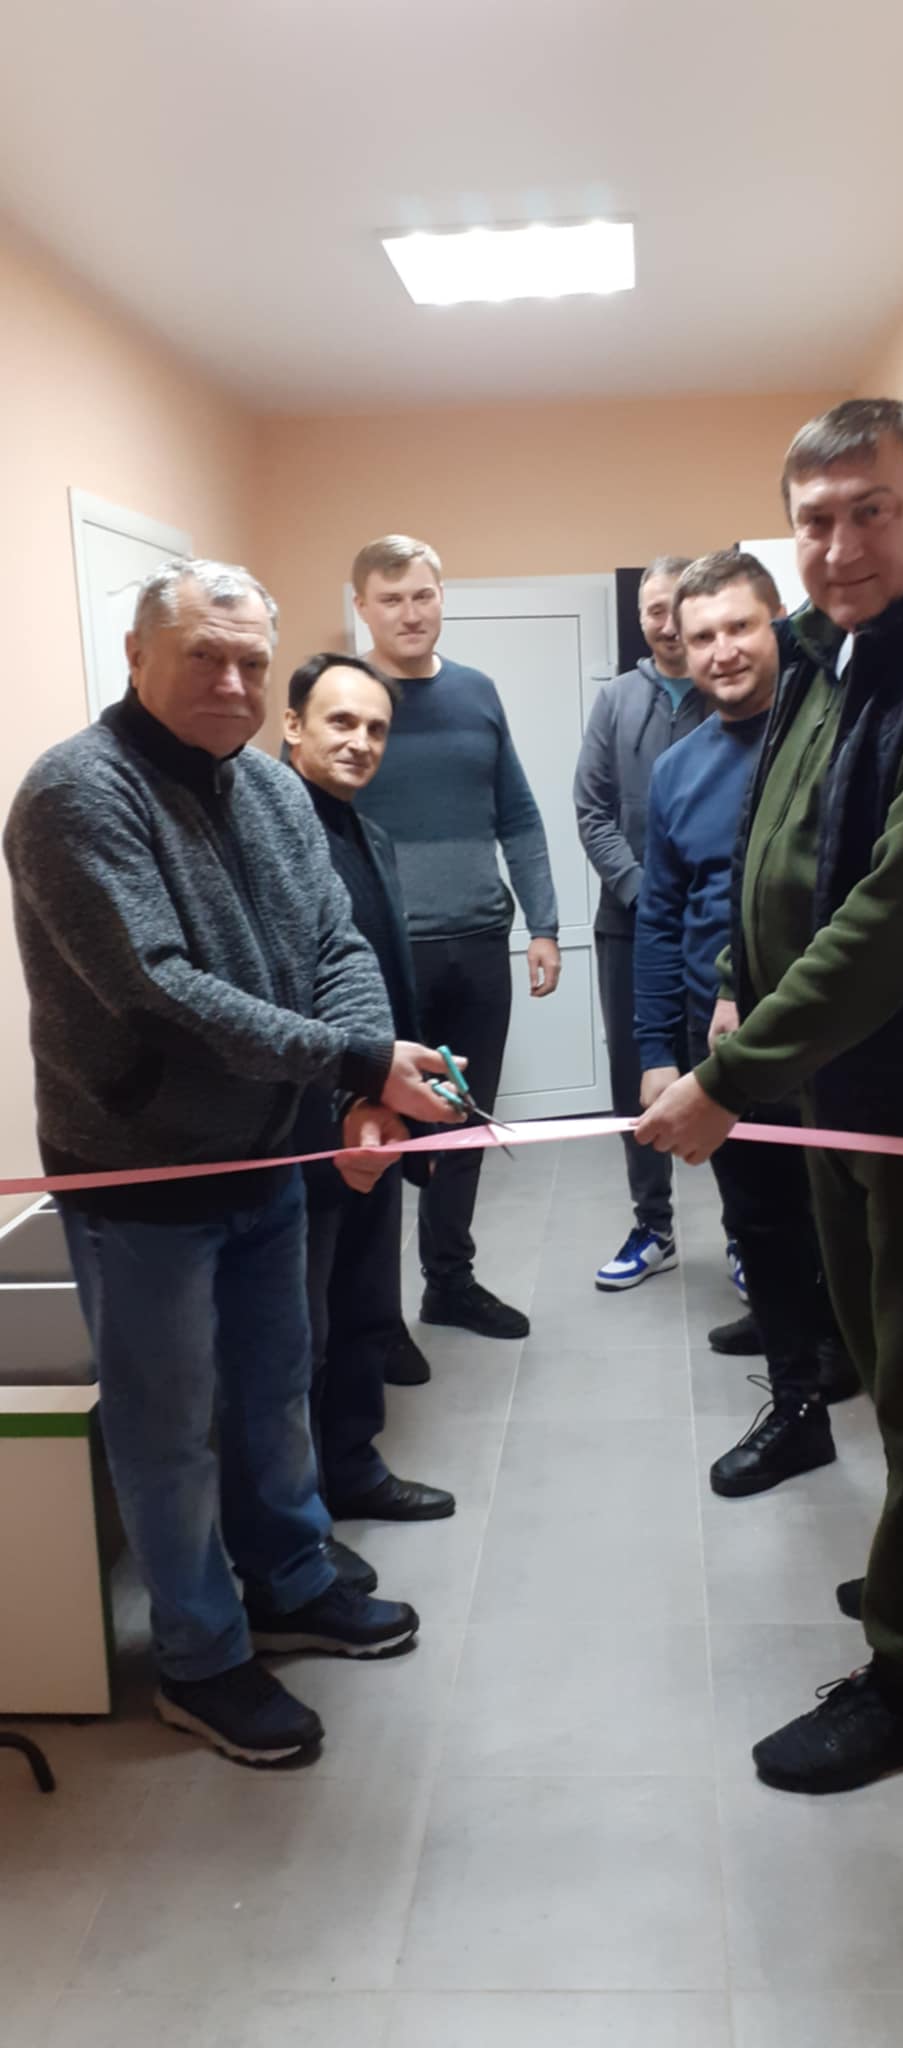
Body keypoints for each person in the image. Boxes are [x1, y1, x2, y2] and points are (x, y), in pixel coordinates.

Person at [636, 399, 903, 1793]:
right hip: (838, 1073)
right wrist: (735, 986)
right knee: (888, 1352)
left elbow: (897, 913)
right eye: (815, 520)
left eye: (871, 511)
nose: (839, 546)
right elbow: (778, 842)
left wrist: (727, 1078)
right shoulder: (832, 650)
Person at [4, 560, 463, 1769]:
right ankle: (199, 1659)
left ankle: (291, 1581)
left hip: (268, 1152)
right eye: (203, 655)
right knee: (169, 1434)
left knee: (274, 1391)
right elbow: (158, 988)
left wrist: (359, 1081)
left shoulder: (267, 785)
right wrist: (355, 1058)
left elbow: (335, 942)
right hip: (141, 1177)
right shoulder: (73, 795)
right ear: (137, 657)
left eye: (252, 661)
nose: (232, 681)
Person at [635, 551, 855, 1499]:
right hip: (713, 1034)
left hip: (822, 1028)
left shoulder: (836, 739)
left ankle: (828, 1345)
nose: (722, 650)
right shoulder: (676, 770)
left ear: (778, 627)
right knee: (755, 1213)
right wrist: (657, 1051)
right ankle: (797, 1393)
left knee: (837, 1212)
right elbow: (658, 915)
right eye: (702, 636)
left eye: (739, 627)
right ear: (678, 650)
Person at [353, 535, 560, 1341]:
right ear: (363, 607)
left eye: (422, 595)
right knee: (378, 1132)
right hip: (378, 959)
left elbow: (520, 816)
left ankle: (450, 1282)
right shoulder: (348, 698)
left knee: (465, 1125)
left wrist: (544, 925)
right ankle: (374, 1317)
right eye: (391, 598)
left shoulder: (477, 693)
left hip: (477, 945)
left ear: (442, 598)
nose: (410, 613)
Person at [284, 651, 456, 1536]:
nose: (360, 742)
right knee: (299, 1334)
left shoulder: (368, 834)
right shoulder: (272, 836)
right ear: (293, 726)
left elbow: (384, 982)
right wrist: (340, 1105)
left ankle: (352, 1468)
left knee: (362, 1309)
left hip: (374, 1115)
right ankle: (298, 1512)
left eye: (376, 728)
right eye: (341, 722)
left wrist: (398, 1108)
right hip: (306, 1124)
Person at [573, 556, 711, 1292]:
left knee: (730, 1072)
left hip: (718, 930)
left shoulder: (731, 693)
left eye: (677, 607)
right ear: (641, 618)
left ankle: (747, 1236)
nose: (666, 623)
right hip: (628, 927)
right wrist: (643, 894)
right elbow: (591, 811)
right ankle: (653, 1227)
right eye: (654, 610)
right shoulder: (616, 700)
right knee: (641, 1077)